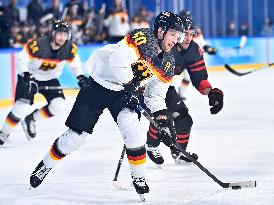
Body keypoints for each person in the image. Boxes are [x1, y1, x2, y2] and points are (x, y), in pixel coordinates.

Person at [29, 11, 185, 199]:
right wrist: (131, 86)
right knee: (75, 138)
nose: (176, 40)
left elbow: (155, 94)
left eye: (178, 36)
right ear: (161, 31)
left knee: (134, 133)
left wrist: (161, 117)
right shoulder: (142, 38)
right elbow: (117, 62)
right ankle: (45, 165)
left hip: (124, 93)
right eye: (173, 34)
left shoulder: (168, 61)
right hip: (99, 84)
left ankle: (139, 178)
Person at [146, 12, 224, 166]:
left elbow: (199, 78)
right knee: (163, 115)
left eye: (191, 34)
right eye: (185, 34)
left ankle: (179, 152)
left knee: (184, 120)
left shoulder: (194, 51)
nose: (188, 38)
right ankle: (151, 145)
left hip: (165, 85)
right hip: (147, 84)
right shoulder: (163, 45)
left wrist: (211, 93)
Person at [0, 20, 88, 145]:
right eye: (59, 34)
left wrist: (80, 77)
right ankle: (3, 133)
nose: (62, 37)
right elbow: (21, 59)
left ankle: (31, 119)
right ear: (53, 33)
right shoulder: (38, 44)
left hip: (50, 79)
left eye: (65, 34)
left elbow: (75, 65)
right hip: (30, 77)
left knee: (59, 105)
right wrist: (25, 74)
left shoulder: (69, 48)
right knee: (21, 107)